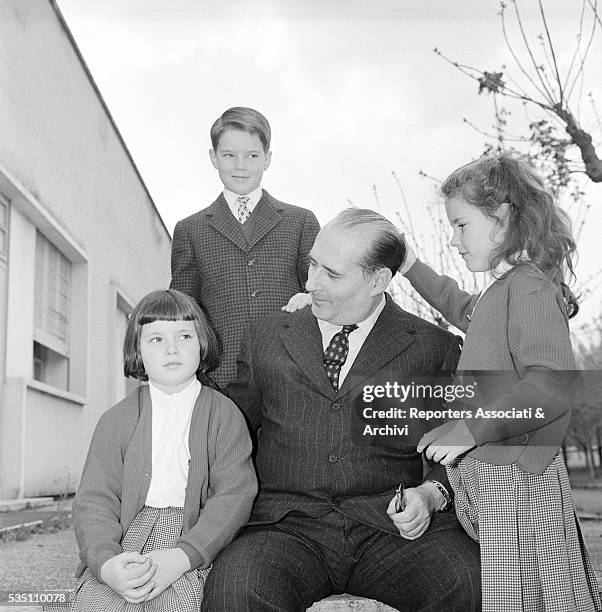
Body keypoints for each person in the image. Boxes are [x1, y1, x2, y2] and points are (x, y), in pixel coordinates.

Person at [202, 209, 481, 611]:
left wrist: (432, 494)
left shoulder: (432, 347)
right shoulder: (266, 336)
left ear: (378, 280)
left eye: (331, 274)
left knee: (468, 581)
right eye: (312, 265)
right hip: (285, 528)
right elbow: (228, 426)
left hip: (390, 528)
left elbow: (460, 443)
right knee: (236, 589)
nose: (311, 283)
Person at [398, 154, 601, 611]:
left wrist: (472, 428)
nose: (453, 239)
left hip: (519, 489)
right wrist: (409, 264)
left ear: (502, 217)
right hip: (500, 485)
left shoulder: (527, 288)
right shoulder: (500, 292)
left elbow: (552, 384)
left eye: (461, 225)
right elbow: (457, 304)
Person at [71, 289, 257, 611]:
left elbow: (234, 495)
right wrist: (107, 564)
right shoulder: (116, 420)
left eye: (184, 335)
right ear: (137, 351)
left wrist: (184, 556)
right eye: (156, 339)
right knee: (98, 603)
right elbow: (94, 499)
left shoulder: (224, 415)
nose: (172, 349)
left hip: (195, 536)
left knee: (178, 603)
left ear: (202, 344)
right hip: (129, 534)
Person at [170, 106, 320, 388]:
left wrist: (310, 298)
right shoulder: (190, 230)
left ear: (268, 159)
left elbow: (324, 293)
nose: (241, 165)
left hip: (293, 378)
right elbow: (181, 315)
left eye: (252, 155)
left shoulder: (301, 222)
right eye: (229, 155)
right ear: (214, 158)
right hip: (220, 382)